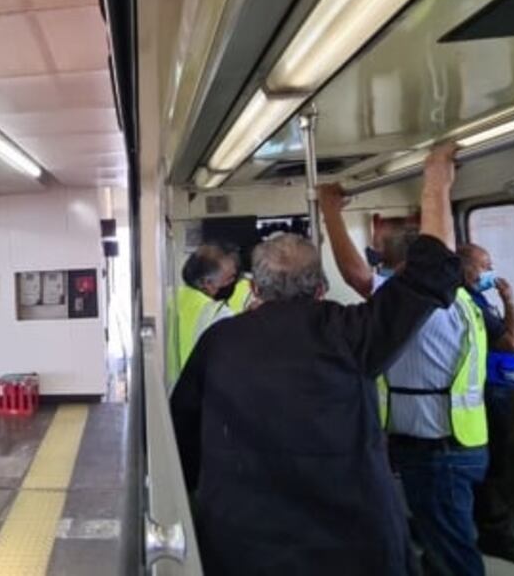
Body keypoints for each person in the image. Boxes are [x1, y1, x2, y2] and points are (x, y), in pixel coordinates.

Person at [170, 144, 461, 575]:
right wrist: (436, 181)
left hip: (245, 544)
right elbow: (430, 275)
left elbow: (181, 437)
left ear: (255, 290)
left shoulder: (218, 343)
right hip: (353, 544)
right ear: (320, 289)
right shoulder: (353, 333)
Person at [323, 184, 489, 576]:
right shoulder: (462, 299)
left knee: (452, 554)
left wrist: (330, 212)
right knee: (446, 541)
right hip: (459, 441)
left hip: (437, 450)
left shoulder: (422, 304)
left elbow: (356, 276)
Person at [459, 243, 514, 567]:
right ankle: (495, 534)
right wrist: (510, 300)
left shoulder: (477, 299)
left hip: (485, 390)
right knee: (492, 468)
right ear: (465, 267)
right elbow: (511, 342)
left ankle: (484, 527)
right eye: (485, 265)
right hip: (482, 394)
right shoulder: (468, 301)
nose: (490, 271)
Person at [171, 243, 238, 381]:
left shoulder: (169, 298)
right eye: (229, 278)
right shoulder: (218, 313)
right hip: (199, 388)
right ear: (207, 283)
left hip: (167, 387)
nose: (233, 282)